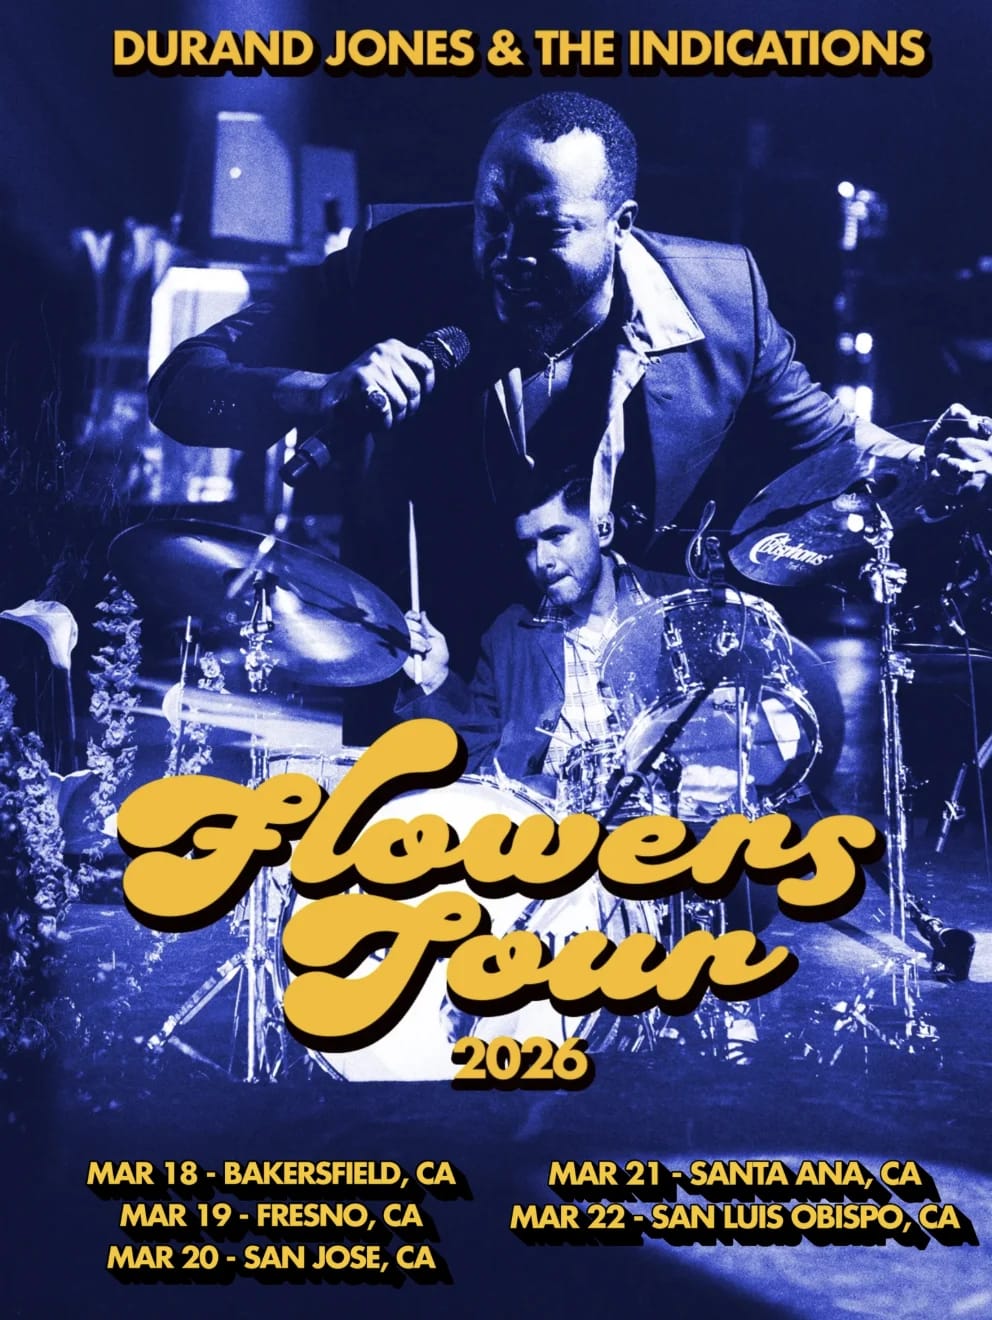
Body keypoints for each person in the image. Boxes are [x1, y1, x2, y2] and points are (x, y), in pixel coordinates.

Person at [148, 91, 992, 684]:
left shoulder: (723, 302)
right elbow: (182, 387)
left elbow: (834, 443)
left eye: (549, 232)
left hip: (632, 692)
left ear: (620, 227)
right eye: (492, 218)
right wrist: (313, 392)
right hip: (433, 686)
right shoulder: (395, 262)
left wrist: (929, 460)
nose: (508, 255)